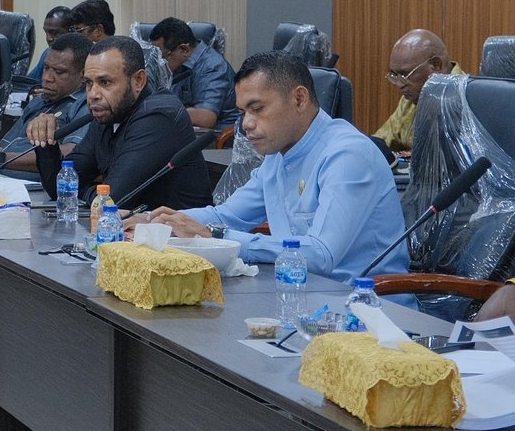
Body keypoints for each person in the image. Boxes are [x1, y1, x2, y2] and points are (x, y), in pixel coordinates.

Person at [131, 52, 411, 288]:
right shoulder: (279, 154)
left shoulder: (348, 155)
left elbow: (321, 255)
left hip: (366, 309)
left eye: (257, 109)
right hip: (299, 296)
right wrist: (154, 221)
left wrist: (213, 236)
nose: (246, 124)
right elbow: (227, 216)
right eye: (243, 112)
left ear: (299, 99)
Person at [31, 35, 210, 210]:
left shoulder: (159, 116)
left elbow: (112, 202)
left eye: (105, 82)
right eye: (88, 83)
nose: (93, 94)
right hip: (135, 226)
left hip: (178, 229)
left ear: (138, 81)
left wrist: (81, 190)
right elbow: (61, 187)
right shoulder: (108, 114)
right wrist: (46, 141)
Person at [0, 32, 91, 172]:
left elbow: (71, 154)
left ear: (83, 75)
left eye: (59, 72)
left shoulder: (85, 106)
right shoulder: (39, 102)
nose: (47, 78)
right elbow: (3, 148)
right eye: (46, 68)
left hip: (31, 183)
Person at [374, 29, 463, 154]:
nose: (399, 85)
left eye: (405, 75)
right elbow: (380, 142)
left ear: (436, 66)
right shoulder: (411, 99)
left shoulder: (467, 99)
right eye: (395, 75)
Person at [148, 17, 236, 130]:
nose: (160, 63)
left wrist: (160, 112)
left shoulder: (212, 66)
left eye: (163, 56)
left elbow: (206, 118)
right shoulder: (178, 64)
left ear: (184, 49)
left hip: (219, 136)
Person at [26, 6, 74, 85]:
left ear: (72, 30)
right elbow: (29, 82)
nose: (48, 38)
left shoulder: (82, 57)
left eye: (55, 33)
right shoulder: (48, 53)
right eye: (46, 32)